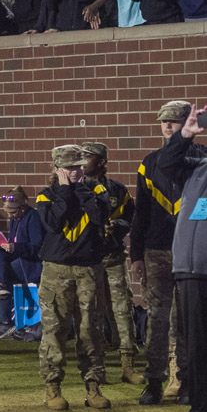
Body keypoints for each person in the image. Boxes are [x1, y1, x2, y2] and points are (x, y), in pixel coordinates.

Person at [35, 145, 111, 411]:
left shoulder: (97, 190)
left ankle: (93, 387)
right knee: (54, 330)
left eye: (79, 166)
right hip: (57, 271)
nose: (77, 172)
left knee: (90, 330)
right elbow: (53, 223)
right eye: (70, 168)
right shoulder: (46, 196)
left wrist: (80, 190)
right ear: (57, 169)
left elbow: (101, 216)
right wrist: (66, 190)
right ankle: (52, 386)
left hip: (89, 269)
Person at [133, 101, 191, 405]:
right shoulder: (149, 163)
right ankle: (154, 380)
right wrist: (136, 255)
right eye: (164, 122)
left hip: (188, 250)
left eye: (174, 121)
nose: (168, 126)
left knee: (185, 319)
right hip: (156, 250)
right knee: (156, 319)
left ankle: (182, 379)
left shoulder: (200, 157)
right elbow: (140, 213)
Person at [156, 103, 207, 412]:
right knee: (199, 348)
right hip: (193, 271)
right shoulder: (199, 165)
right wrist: (185, 134)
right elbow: (165, 164)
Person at [82, 142, 141, 385]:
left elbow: (132, 219)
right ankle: (97, 368)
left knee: (122, 309)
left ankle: (128, 364)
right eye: (82, 156)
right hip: (88, 258)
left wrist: (117, 227)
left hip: (114, 255)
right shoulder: (75, 189)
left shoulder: (117, 189)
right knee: (91, 312)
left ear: (102, 161)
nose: (83, 161)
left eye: (88, 157)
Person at [0, 188, 44, 340]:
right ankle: (1, 288)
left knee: (6, 276)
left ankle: (4, 321)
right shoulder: (15, 219)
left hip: (31, 265)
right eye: (8, 213)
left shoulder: (33, 218)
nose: (9, 216)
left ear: (22, 207)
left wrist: (16, 248)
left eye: (12, 212)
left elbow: (38, 248)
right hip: (18, 259)